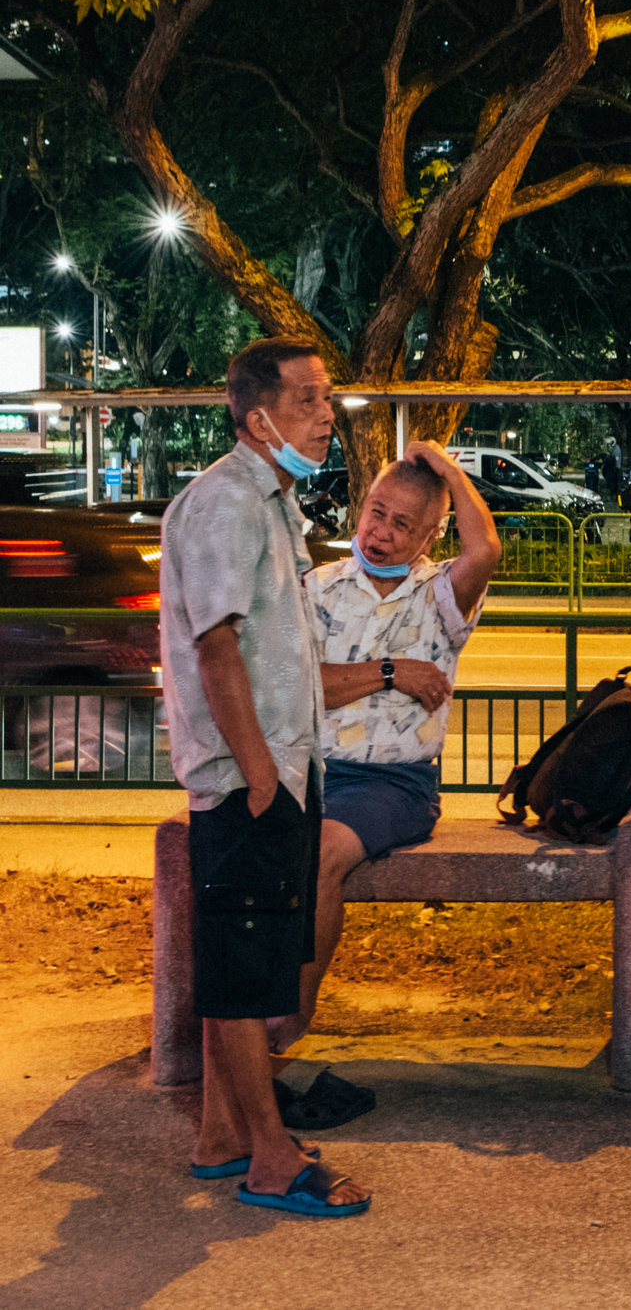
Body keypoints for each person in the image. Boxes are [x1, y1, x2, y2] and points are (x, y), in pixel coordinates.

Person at [159, 337, 371, 1216]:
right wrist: (256, 779)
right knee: (245, 971)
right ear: (258, 416)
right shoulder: (225, 503)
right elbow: (216, 648)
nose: (329, 415)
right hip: (255, 777)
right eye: (311, 400)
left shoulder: (272, 501)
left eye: (328, 400)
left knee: (248, 962)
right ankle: (272, 1161)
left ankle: (221, 1134)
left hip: (286, 766)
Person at [262, 441, 501, 1080]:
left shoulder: (442, 596)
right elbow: (296, 686)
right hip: (307, 767)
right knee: (238, 846)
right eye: (376, 513)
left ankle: (288, 1022)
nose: (381, 534)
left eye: (402, 525)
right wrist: (392, 673)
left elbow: (487, 551)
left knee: (318, 854)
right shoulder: (317, 588)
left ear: (429, 536)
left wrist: (449, 470)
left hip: (391, 782)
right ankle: (231, 1018)